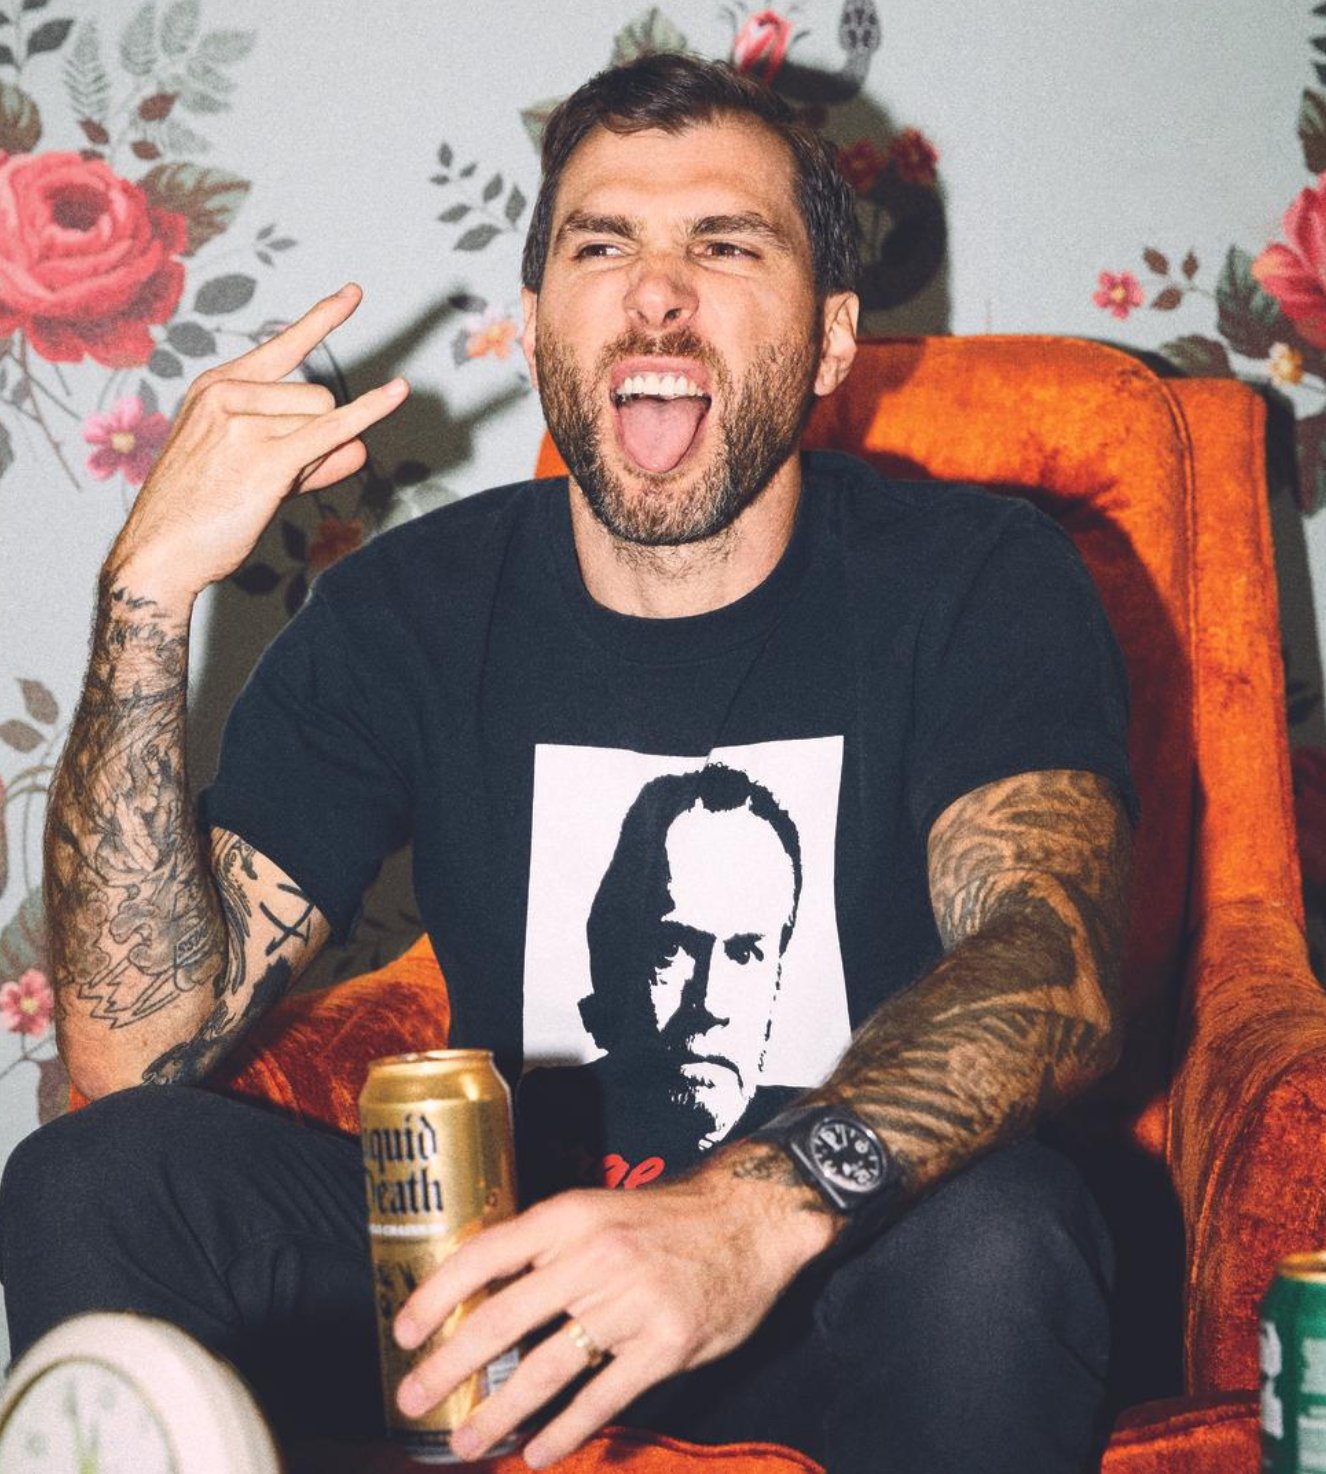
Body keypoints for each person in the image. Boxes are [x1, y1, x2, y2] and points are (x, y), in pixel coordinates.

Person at [0, 51, 1136, 1474]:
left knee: (1008, 1232)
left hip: (842, 1265)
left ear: (833, 337)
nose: (657, 295)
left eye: (725, 245)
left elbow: (1052, 957)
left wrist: (747, 1214)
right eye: (603, 246)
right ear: (536, 327)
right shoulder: (407, 612)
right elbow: (131, 1048)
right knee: (97, 1176)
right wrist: (148, 591)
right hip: (495, 1283)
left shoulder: (976, 577)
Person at [518, 761, 805, 1196]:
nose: (709, 1003)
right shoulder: (542, 1114)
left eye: (745, 953)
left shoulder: (825, 1121)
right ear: (615, 957)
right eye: (673, 948)